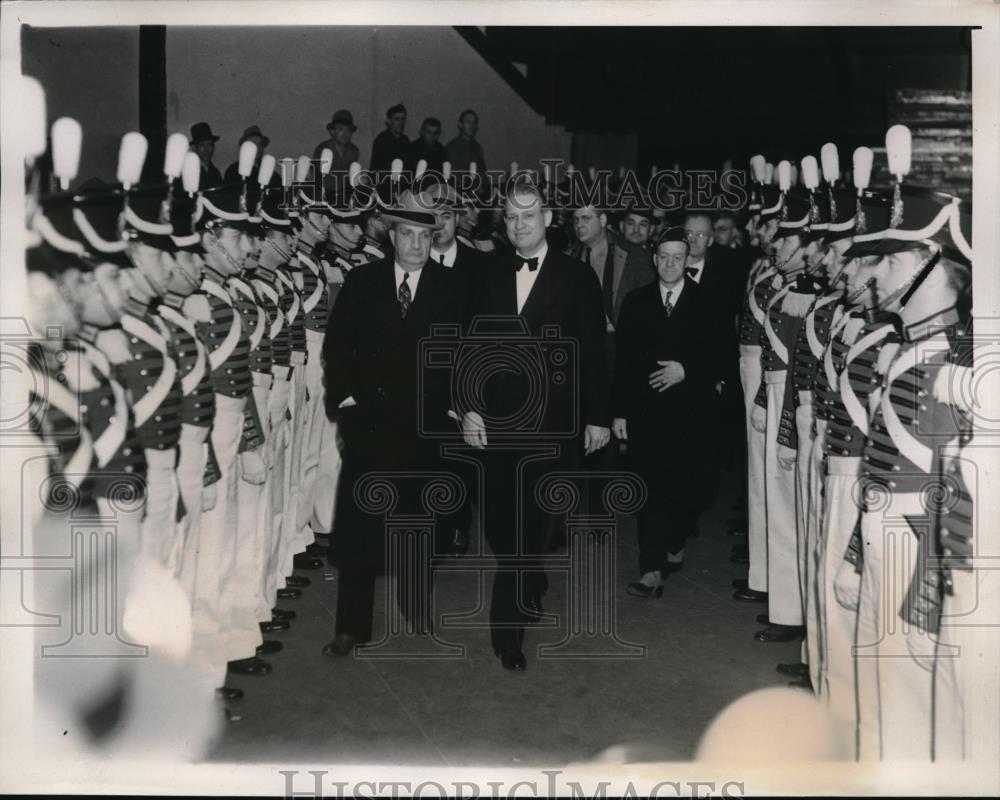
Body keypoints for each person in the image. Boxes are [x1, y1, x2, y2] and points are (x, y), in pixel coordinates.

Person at [460, 179, 610, 671]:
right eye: (510, 218)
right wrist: (468, 407)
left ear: (549, 219)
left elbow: (593, 352)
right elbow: (467, 348)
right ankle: (527, 576)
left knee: (532, 524)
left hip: (554, 423)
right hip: (497, 420)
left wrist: (598, 417)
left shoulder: (577, 277)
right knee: (504, 524)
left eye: (528, 216)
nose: (518, 225)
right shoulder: (484, 272)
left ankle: (508, 632)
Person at [321, 190, 468, 656]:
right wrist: (346, 403)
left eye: (425, 236)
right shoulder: (362, 282)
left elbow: (466, 354)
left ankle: (416, 606)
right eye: (408, 234)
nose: (416, 245)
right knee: (361, 527)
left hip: (427, 428)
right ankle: (351, 627)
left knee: (420, 522)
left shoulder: (451, 287)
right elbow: (338, 348)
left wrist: (456, 407)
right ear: (393, 236)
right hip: (370, 423)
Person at [612, 226, 716, 595]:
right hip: (646, 414)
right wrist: (619, 412)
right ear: (654, 260)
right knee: (649, 490)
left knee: (683, 490)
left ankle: (675, 540)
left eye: (678, 257)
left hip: (691, 416)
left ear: (688, 262)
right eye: (664, 257)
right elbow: (621, 360)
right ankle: (650, 569)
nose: (670, 264)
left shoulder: (707, 301)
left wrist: (687, 370)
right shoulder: (636, 301)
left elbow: (722, 358)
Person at [370, 104, 409, 174]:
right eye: (397, 119)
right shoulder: (381, 140)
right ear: (388, 121)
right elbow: (375, 170)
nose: (401, 123)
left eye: (403, 119)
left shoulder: (405, 141)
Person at [445, 109, 487, 175]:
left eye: (474, 122)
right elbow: (453, 175)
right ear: (460, 124)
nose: (472, 126)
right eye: (468, 122)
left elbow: (482, 173)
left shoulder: (477, 147)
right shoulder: (452, 147)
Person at [190, 122, 222, 189]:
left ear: (213, 147)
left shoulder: (216, 173)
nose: (206, 149)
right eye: (202, 145)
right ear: (194, 148)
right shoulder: (188, 172)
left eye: (209, 144)